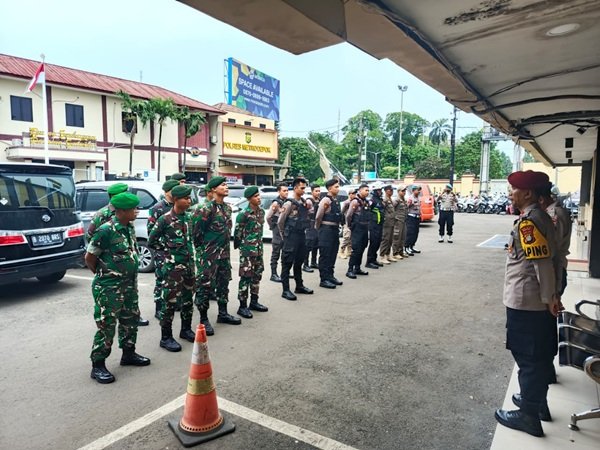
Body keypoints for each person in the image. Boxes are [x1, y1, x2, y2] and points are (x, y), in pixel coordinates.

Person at [494, 170, 562, 438]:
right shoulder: (541, 217)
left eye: (514, 189)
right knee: (539, 355)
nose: (511, 194)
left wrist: (550, 298)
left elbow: (542, 264)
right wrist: (553, 296)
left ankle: (528, 415)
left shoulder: (529, 222)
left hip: (527, 301)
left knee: (528, 357)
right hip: (536, 300)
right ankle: (537, 402)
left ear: (527, 193)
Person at [85, 192, 150, 384]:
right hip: (109, 288)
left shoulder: (128, 226)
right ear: (121, 211)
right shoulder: (105, 230)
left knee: (130, 319)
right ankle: (98, 365)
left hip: (129, 285)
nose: (137, 211)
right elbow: (90, 258)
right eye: (133, 209)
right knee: (106, 325)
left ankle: (128, 353)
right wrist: (105, 276)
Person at [86, 182, 149, 327]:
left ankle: (132, 315)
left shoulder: (128, 221)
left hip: (127, 273)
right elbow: (91, 247)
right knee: (107, 324)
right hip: (110, 276)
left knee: (129, 312)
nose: (136, 210)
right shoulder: (102, 216)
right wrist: (103, 270)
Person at [148, 185, 196, 352]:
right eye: (186, 198)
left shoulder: (189, 218)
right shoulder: (165, 219)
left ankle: (186, 329)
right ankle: (166, 337)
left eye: (189, 198)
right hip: (173, 269)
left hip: (189, 266)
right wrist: (168, 251)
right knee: (169, 302)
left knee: (188, 300)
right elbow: (152, 241)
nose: (189, 201)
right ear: (176, 199)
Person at [192, 177, 241, 335]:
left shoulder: (227, 208)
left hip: (224, 253)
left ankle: (223, 313)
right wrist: (204, 251)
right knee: (205, 286)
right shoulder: (205, 208)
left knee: (223, 283)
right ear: (213, 189)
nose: (226, 187)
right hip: (208, 255)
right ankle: (203, 318)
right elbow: (196, 233)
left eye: (226, 185)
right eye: (223, 185)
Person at [234, 186, 269, 318]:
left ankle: (254, 301)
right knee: (245, 277)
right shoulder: (243, 214)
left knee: (257, 275)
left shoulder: (261, 212)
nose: (259, 198)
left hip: (259, 250)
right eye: (255, 196)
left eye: (259, 195)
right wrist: (242, 247)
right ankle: (242, 306)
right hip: (247, 251)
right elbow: (237, 234)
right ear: (249, 199)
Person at [278, 177, 314, 301]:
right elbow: (280, 221)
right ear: (295, 188)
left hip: (301, 235)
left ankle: (299, 285)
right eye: (302, 188)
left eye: (305, 188)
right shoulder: (289, 204)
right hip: (291, 236)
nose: (304, 190)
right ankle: (285, 290)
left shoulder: (304, 202)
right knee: (287, 263)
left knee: (299, 261)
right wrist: (284, 236)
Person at [147, 179, 179, 319]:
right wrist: (164, 247)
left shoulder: (178, 206)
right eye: (174, 190)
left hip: (177, 251)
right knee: (161, 280)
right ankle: (159, 308)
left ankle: (173, 303)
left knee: (175, 279)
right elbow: (151, 233)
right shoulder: (158, 208)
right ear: (167, 192)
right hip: (163, 252)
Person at [538, 184, 571, 296]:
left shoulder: (554, 214)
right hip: (555, 268)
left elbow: (554, 245)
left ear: (541, 200)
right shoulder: (555, 211)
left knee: (552, 301)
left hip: (556, 269)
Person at [315, 179, 343, 289]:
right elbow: (318, 216)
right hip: (326, 230)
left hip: (334, 230)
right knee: (325, 255)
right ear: (330, 188)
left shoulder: (335, 200)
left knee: (333, 253)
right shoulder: (326, 200)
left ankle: (330, 276)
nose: (338, 189)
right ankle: (324, 279)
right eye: (336, 187)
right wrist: (319, 229)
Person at [345, 184, 371, 279]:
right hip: (357, 228)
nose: (367, 192)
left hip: (364, 227)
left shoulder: (366, 201)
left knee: (362, 247)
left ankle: (357, 268)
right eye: (365, 190)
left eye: (368, 190)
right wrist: (350, 226)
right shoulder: (355, 201)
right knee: (356, 249)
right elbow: (349, 215)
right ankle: (350, 270)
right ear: (360, 190)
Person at [265, 183, 289, 282]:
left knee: (286, 251)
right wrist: (273, 227)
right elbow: (268, 217)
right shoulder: (276, 203)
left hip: (285, 228)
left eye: (287, 190)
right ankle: (273, 274)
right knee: (276, 252)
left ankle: (285, 272)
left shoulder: (287, 201)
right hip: (277, 229)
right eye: (284, 191)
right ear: (279, 191)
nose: (286, 192)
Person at [366, 182, 385, 269]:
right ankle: (369, 261)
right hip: (374, 224)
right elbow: (367, 210)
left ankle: (374, 259)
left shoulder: (379, 200)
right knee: (373, 242)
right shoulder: (372, 200)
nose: (381, 192)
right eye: (379, 190)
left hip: (379, 223)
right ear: (375, 191)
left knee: (378, 242)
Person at [303, 183, 321, 272]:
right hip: (310, 224)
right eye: (316, 191)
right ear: (312, 192)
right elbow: (303, 213)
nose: (318, 193)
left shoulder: (320, 200)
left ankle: (313, 262)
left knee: (316, 244)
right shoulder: (309, 201)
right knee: (308, 245)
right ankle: (305, 264)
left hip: (318, 225)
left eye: (319, 191)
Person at [379, 184, 396, 264]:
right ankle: (382, 256)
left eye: (392, 190)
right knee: (385, 239)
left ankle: (387, 254)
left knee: (390, 239)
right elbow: (382, 210)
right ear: (386, 191)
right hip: (386, 222)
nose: (392, 192)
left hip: (392, 221)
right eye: (390, 190)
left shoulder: (390, 199)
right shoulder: (384, 199)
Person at [391, 184, 408, 260]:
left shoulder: (404, 200)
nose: (404, 192)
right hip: (398, 221)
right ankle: (395, 253)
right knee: (397, 237)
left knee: (403, 237)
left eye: (405, 191)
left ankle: (401, 251)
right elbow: (392, 209)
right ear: (398, 191)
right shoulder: (396, 200)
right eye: (402, 191)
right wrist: (394, 218)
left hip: (403, 220)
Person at [338, 189, 356, 259]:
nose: (354, 195)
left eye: (354, 194)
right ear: (349, 194)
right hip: (346, 222)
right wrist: (342, 222)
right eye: (352, 194)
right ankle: (341, 251)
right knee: (347, 237)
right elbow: (342, 212)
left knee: (351, 238)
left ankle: (349, 251)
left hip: (353, 222)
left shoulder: (355, 201)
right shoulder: (347, 202)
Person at [405, 185, 422, 255]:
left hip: (417, 217)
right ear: (413, 191)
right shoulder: (410, 198)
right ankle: (406, 247)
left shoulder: (418, 198)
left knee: (415, 233)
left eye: (419, 190)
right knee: (410, 233)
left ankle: (412, 246)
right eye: (417, 190)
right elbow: (406, 207)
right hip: (411, 217)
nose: (419, 191)